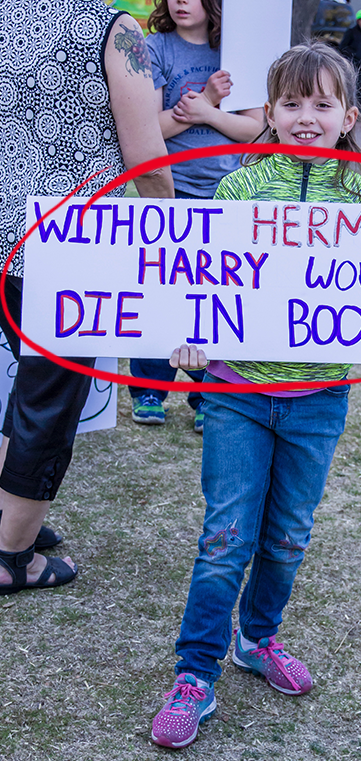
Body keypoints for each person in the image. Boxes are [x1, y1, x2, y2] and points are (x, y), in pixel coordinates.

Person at [149, 42, 361, 750]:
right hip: (237, 392)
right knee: (226, 538)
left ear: (348, 114)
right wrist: (190, 340)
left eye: (321, 104)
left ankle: (257, 638)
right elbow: (200, 282)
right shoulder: (239, 189)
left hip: (318, 399)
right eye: (290, 103)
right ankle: (195, 674)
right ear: (268, 113)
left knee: (286, 538)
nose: (305, 117)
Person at [0, 1, 173, 593]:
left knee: (28, 392)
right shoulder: (112, 26)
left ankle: (8, 519)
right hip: (72, 244)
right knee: (49, 405)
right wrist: (175, 234)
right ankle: (12, 553)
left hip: (10, 233)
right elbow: (147, 158)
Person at [129, 0, 266, 433]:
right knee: (162, 286)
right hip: (168, 189)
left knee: (216, 295)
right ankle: (149, 388)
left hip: (226, 192)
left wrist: (206, 112)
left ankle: (209, 392)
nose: (180, 1)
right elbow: (146, 128)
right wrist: (204, 101)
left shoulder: (238, 50)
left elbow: (257, 132)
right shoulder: (155, 48)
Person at [338, 9, 361, 119]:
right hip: (355, 64)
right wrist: (352, 57)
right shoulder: (351, 32)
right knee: (359, 88)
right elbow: (343, 47)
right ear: (359, 20)